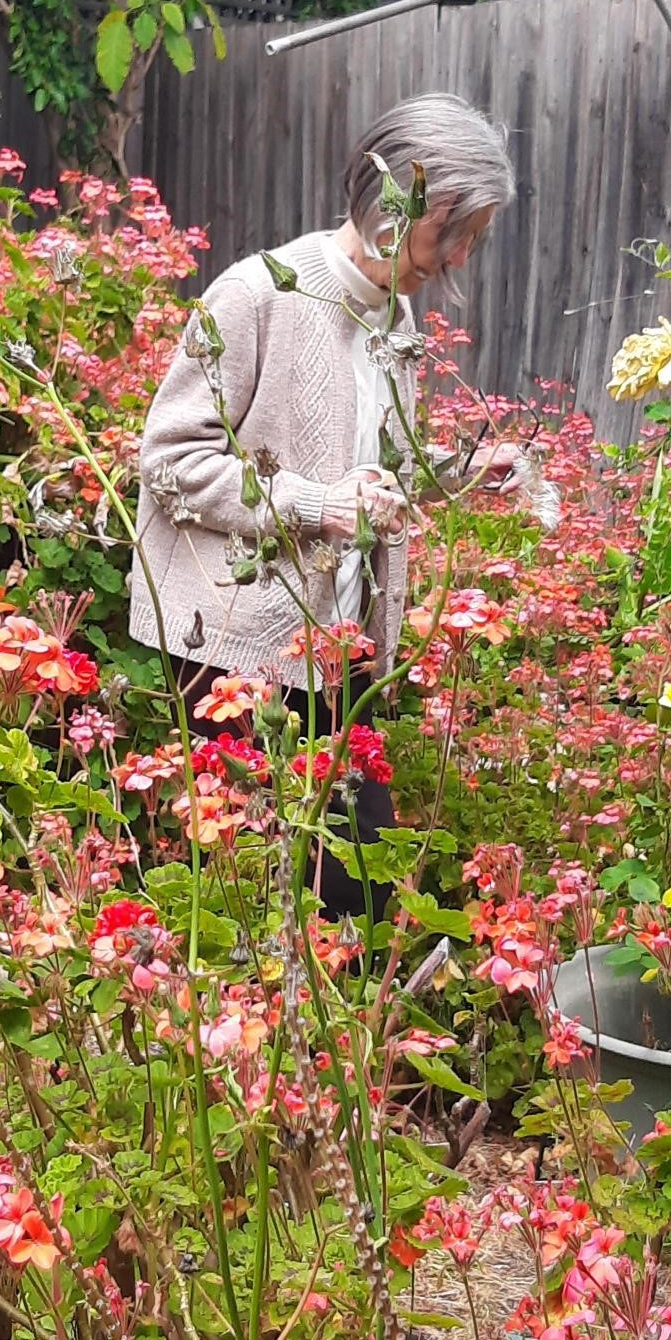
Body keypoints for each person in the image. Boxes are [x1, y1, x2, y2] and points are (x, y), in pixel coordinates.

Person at [129, 93, 519, 918]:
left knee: (356, 903)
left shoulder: (394, 316)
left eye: (471, 244)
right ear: (394, 198)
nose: (454, 261)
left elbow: (374, 472)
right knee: (246, 911)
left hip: (341, 657)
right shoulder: (258, 296)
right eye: (451, 234)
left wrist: (464, 471)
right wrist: (312, 505)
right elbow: (168, 458)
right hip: (236, 659)